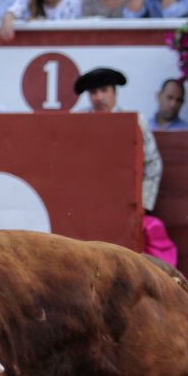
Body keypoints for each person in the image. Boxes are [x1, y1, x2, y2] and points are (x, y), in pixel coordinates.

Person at [74, 67, 175, 266]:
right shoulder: (77, 120)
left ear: (114, 92)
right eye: (93, 92)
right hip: (87, 205)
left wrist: (142, 204)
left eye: (104, 90)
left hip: (124, 204)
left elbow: (153, 163)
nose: (99, 97)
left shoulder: (135, 120)